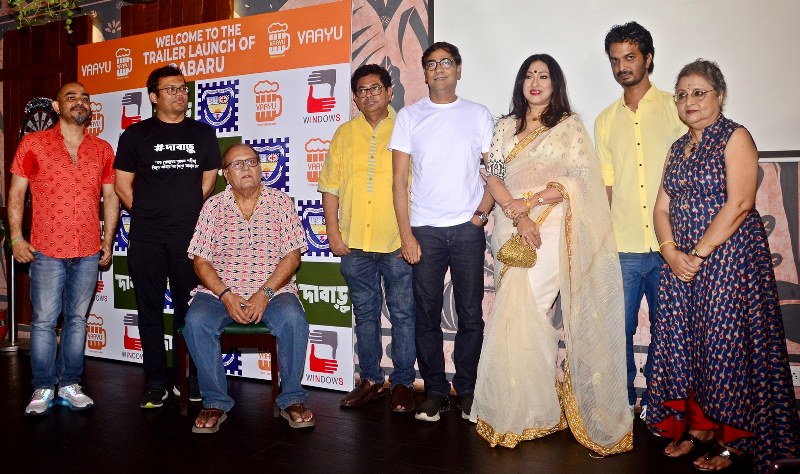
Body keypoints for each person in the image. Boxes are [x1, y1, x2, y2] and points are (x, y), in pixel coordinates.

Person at [470, 54, 631, 454]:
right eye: (529, 75)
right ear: (521, 83)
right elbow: (493, 175)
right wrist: (516, 212)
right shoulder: (505, 126)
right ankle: (512, 407)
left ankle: (534, 409)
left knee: (533, 309)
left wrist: (532, 203)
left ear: (555, 83)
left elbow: (580, 179)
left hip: (550, 224)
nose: (535, 82)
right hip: (509, 223)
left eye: (543, 76)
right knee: (509, 313)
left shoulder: (568, 125)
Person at [648, 59, 800, 473]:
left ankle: (735, 440)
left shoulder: (735, 137)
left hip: (728, 260)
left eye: (699, 92)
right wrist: (670, 252)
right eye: (682, 94)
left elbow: (741, 203)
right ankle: (700, 429)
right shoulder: (678, 148)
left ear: (720, 95)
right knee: (692, 345)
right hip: (682, 264)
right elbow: (661, 208)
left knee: (726, 347)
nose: (689, 101)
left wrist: (697, 255)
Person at [389, 41, 495, 422]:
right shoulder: (409, 116)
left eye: (446, 62)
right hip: (425, 230)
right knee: (426, 314)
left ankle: (467, 389)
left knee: (470, 314)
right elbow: (398, 181)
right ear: (424, 72)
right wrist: (406, 235)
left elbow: (494, 171)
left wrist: (481, 214)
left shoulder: (479, 114)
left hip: (467, 229)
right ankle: (435, 390)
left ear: (459, 69)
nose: (439, 69)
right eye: (431, 64)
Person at [183, 144, 314, 433]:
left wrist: (264, 293)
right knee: (196, 321)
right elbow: (201, 261)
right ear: (226, 174)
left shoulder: (281, 203)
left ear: (260, 168)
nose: (245, 168)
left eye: (251, 162)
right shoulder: (213, 207)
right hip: (220, 293)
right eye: (237, 164)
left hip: (273, 291)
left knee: (294, 319)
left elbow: (292, 256)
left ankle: (292, 398)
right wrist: (226, 295)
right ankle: (215, 401)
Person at [9, 82, 119, 415]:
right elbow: (16, 193)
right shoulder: (33, 144)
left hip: (87, 249)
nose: (79, 101)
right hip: (45, 248)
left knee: (77, 321)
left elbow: (111, 197)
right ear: (57, 107)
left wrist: (107, 241)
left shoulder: (102, 148)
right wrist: (16, 237)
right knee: (43, 321)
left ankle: (70, 384)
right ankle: (43, 387)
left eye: (85, 97)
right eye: (71, 97)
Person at [114, 65, 221, 409]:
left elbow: (208, 181)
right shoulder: (135, 135)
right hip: (146, 236)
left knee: (188, 312)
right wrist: (148, 214)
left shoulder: (203, 133)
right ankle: (156, 380)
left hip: (189, 236)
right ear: (153, 96)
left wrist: (182, 211)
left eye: (183, 88)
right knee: (149, 311)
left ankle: (187, 376)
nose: (180, 94)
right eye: (171, 89)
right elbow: (122, 185)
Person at [594, 21, 686, 416]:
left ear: (648, 58)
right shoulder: (605, 120)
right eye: (615, 60)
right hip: (624, 247)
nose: (622, 67)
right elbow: (607, 186)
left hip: (673, 246)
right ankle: (623, 403)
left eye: (630, 57)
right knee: (618, 331)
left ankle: (663, 406)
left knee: (673, 333)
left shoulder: (676, 108)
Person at [319, 64, 416, 413]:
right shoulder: (344, 134)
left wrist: (411, 236)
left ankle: (403, 383)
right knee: (365, 314)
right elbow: (330, 187)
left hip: (397, 242)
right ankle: (371, 379)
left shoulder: (407, 129)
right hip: (354, 243)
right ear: (355, 98)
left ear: (390, 92)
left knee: (403, 314)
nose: (369, 95)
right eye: (361, 90)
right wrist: (333, 233)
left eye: (376, 88)